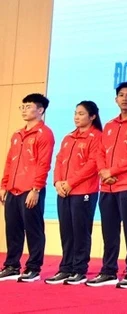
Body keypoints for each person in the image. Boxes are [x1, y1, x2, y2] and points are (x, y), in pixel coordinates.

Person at [87, 82, 127, 289]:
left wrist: (111, 171)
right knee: (109, 230)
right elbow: (99, 152)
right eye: (121, 95)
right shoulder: (110, 125)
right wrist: (103, 173)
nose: (125, 98)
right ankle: (108, 271)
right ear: (116, 99)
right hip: (107, 186)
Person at [47, 101, 103, 285]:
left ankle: (79, 269)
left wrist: (70, 183)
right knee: (67, 231)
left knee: (81, 231)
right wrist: (57, 182)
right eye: (75, 113)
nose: (77, 117)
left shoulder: (97, 137)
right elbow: (60, 160)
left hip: (84, 191)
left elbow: (93, 164)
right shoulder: (69, 137)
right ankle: (66, 268)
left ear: (92, 116)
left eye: (81, 113)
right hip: (64, 191)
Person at [0, 94, 55, 283]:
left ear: (40, 110)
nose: (24, 110)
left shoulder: (44, 134)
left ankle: (33, 268)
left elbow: (43, 163)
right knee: (13, 229)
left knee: (33, 230)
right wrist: (4, 185)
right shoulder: (17, 134)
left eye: (28, 106)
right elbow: (9, 161)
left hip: (30, 190)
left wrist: (36, 188)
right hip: (13, 189)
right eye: (22, 106)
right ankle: (12, 265)